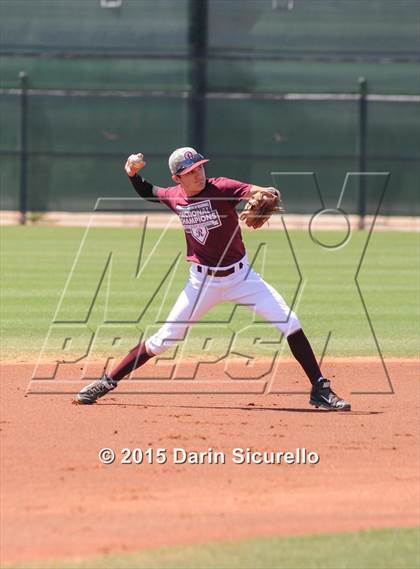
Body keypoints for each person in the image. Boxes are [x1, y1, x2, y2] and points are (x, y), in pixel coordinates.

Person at [76, 148, 350, 411]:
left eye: (200, 167)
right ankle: (107, 381)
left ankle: (319, 388)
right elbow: (150, 192)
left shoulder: (221, 187)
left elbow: (256, 191)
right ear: (178, 178)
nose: (199, 174)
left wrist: (269, 192)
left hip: (242, 277)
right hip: (201, 284)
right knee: (163, 340)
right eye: (191, 171)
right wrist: (132, 174)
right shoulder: (174, 196)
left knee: (290, 322)